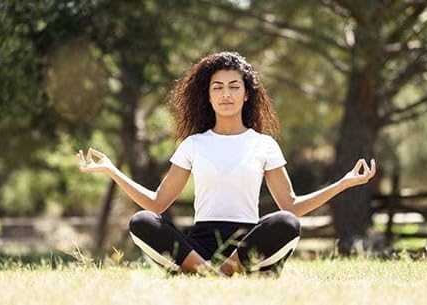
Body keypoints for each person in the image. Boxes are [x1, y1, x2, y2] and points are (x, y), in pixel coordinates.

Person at [77, 52, 376, 277]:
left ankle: (221, 272)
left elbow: (291, 205)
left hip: (249, 244)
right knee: (142, 221)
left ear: (247, 94)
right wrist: (112, 171)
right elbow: (156, 204)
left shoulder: (264, 144)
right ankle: (210, 272)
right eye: (217, 87)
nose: (226, 94)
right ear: (208, 96)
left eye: (234, 87)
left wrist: (344, 183)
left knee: (286, 223)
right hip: (199, 246)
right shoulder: (193, 144)